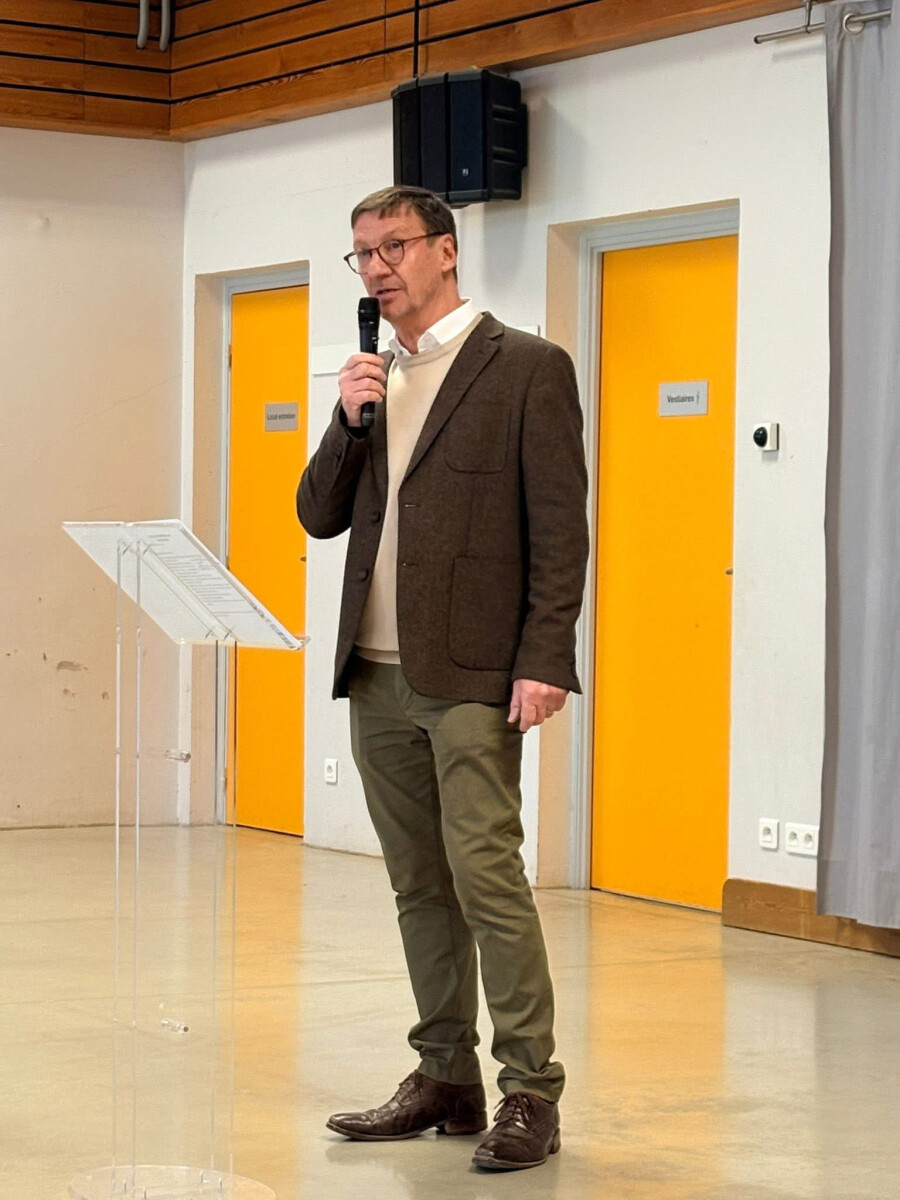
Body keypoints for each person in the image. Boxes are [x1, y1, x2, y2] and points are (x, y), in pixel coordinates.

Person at [296, 185, 589, 1172]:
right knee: (419, 884)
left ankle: (530, 1089)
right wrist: (347, 420)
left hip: (472, 675)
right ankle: (445, 1076)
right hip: (375, 674)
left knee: (486, 878)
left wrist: (545, 657)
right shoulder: (375, 377)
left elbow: (560, 530)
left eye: (394, 247)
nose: (377, 268)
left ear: (446, 250)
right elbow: (317, 514)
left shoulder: (527, 368)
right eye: (363, 254)